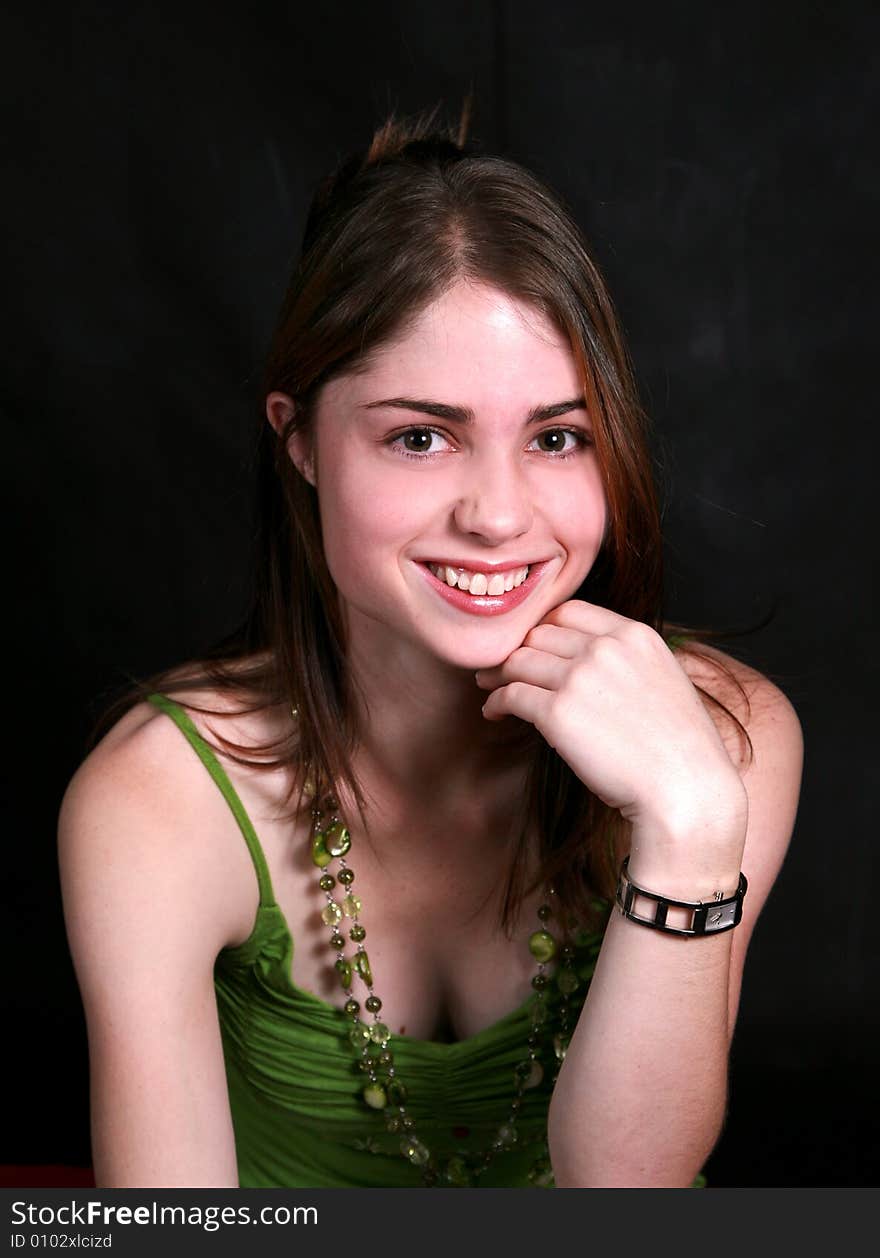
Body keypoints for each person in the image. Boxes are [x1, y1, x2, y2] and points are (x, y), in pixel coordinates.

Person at [58, 107, 803, 1189]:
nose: (499, 516)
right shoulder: (156, 799)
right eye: (421, 436)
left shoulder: (724, 740)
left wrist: (689, 832)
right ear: (300, 440)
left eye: (557, 437)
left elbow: (626, 1195)